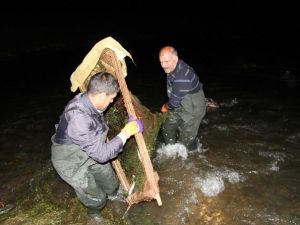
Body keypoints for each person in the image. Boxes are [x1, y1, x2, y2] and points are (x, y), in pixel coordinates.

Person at [51, 72, 143, 223]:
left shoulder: (89, 99)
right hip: (71, 161)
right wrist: (126, 133)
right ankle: (93, 213)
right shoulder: (78, 117)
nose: (113, 101)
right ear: (100, 95)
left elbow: (97, 150)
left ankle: (114, 196)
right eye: (111, 98)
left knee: (111, 183)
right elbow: (101, 155)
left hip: (89, 150)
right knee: (97, 198)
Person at [159, 46, 206, 150]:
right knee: (167, 126)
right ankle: (170, 150)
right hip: (181, 103)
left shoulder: (182, 76)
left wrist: (165, 107)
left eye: (166, 62)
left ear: (175, 59)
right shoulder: (174, 66)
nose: (163, 65)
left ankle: (193, 153)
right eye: (161, 62)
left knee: (184, 145)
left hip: (193, 109)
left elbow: (174, 103)